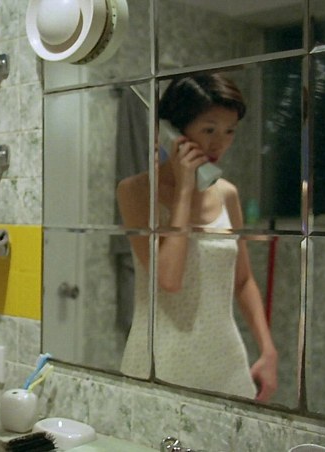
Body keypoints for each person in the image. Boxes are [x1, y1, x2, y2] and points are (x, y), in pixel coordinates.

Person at [116, 74, 278, 402]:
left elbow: (243, 280)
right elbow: (169, 279)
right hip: (160, 359)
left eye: (230, 131)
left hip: (225, 360)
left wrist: (268, 350)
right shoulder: (136, 192)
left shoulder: (228, 194)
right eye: (209, 129)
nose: (220, 143)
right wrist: (184, 190)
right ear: (173, 131)